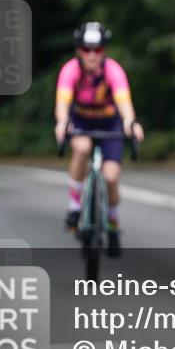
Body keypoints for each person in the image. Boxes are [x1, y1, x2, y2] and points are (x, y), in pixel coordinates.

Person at [54, 22, 144, 257]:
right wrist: (62, 123)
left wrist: (129, 123)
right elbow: (62, 104)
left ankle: (113, 225)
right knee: (81, 148)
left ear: (104, 50)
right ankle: (75, 207)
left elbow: (124, 103)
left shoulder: (113, 70)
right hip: (82, 121)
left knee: (111, 176)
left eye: (97, 49)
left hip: (110, 123)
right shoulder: (70, 70)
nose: (92, 55)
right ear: (78, 50)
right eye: (86, 49)